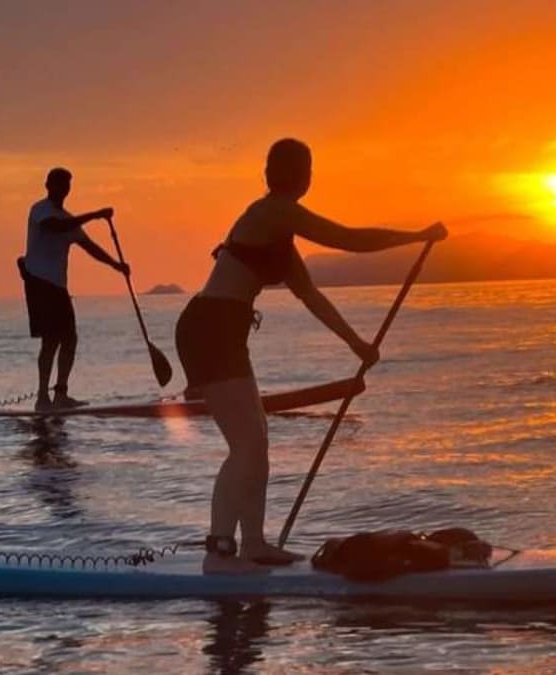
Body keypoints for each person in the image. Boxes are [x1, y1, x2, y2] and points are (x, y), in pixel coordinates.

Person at [176, 138, 447, 574]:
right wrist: (416, 236)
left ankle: (254, 546)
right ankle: (219, 554)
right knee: (245, 445)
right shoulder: (274, 211)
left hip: (220, 330)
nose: (304, 177)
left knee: (256, 442)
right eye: (304, 169)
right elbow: (347, 240)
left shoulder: (280, 238)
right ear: (299, 177)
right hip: (210, 329)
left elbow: (312, 297)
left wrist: (355, 343)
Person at [19, 167, 129, 411]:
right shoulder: (40, 210)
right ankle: (42, 398)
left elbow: (90, 247)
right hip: (39, 282)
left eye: (67, 185)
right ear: (48, 185)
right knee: (50, 341)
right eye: (59, 184)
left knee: (70, 338)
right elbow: (56, 227)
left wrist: (116, 265)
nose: (63, 189)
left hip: (58, 286)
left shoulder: (69, 219)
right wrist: (95, 214)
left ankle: (61, 394)